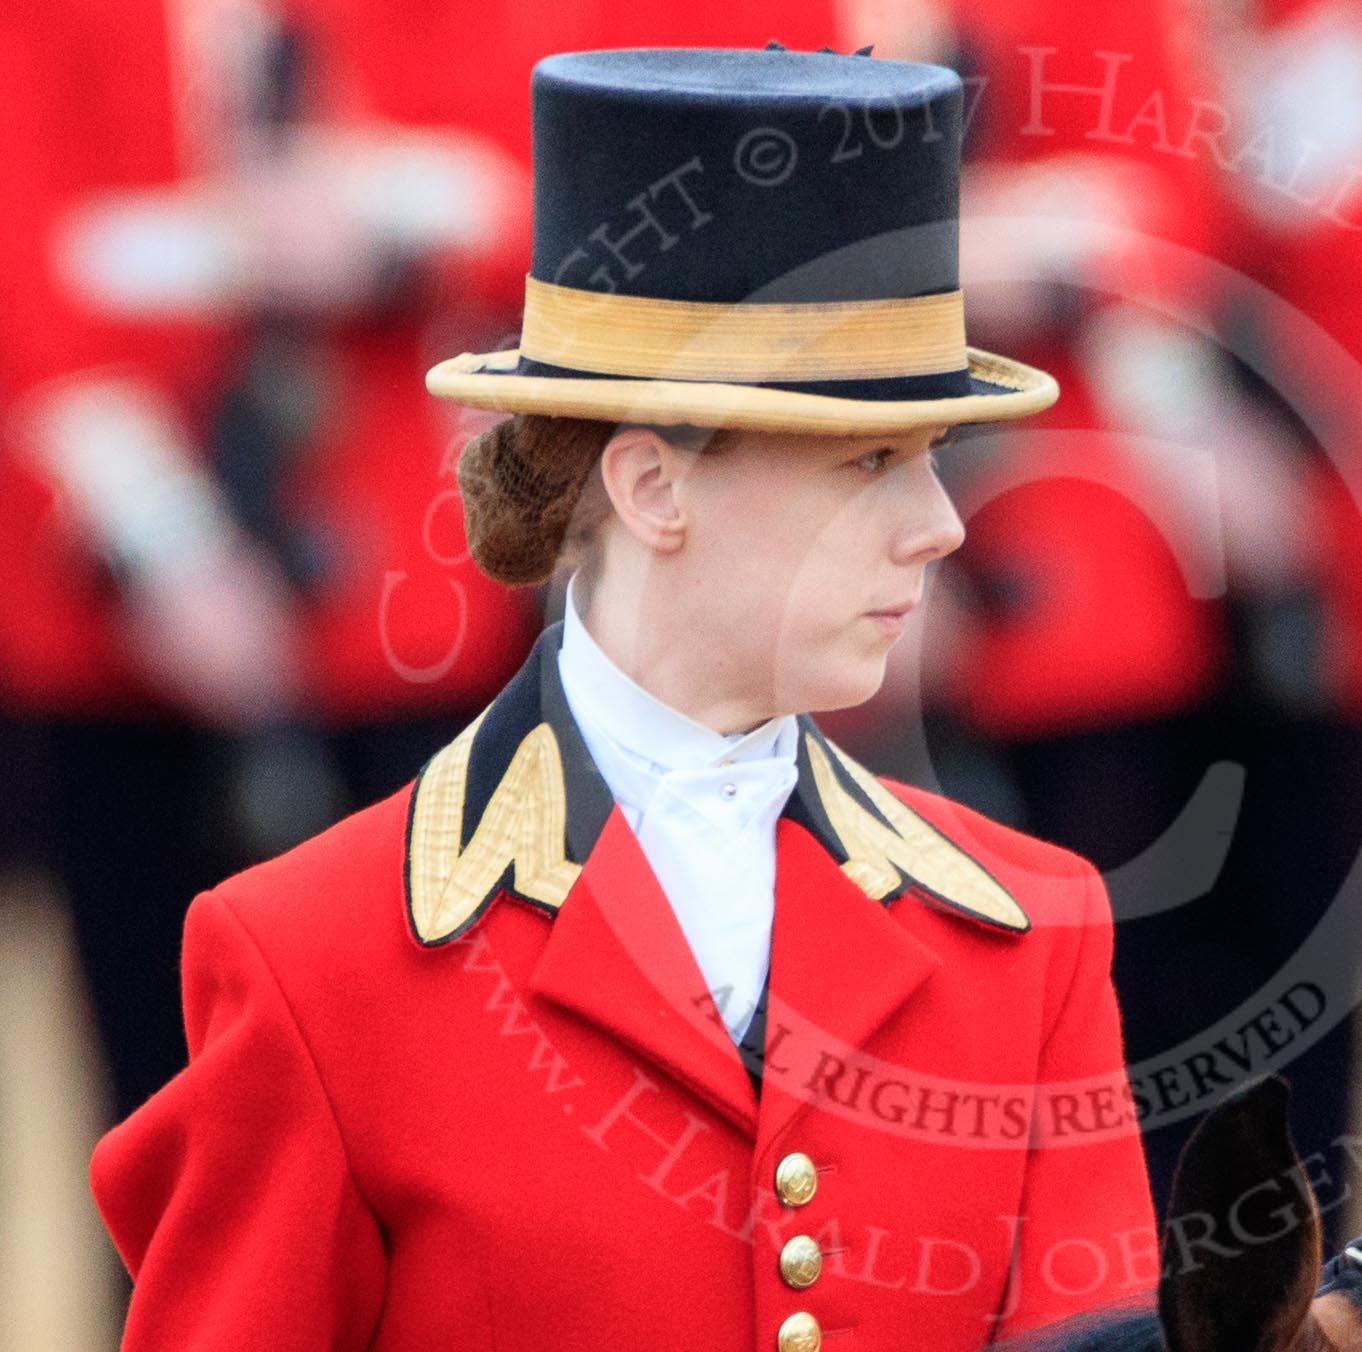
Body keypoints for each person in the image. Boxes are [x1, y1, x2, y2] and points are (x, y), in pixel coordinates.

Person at [88, 46, 1158, 1350]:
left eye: (934, 457)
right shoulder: (313, 958)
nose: (939, 525)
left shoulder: (1036, 938)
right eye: (871, 460)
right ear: (655, 489)